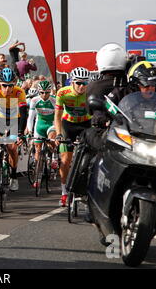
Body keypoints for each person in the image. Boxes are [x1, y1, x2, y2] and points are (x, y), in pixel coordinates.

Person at [0, 67, 28, 192]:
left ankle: (13, 177)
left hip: (14, 120)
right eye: (4, 86)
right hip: (0, 119)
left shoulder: (19, 92)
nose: (7, 89)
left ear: (14, 84)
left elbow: (24, 113)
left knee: (12, 147)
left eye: (10, 86)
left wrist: (20, 133)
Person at [54, 67, 92, 207]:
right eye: (78, 83)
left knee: (89, 159)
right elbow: (57, 117)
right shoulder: (63, 93)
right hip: (68, 125)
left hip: (85, 124)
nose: (82, 86)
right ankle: (64, 192)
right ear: (72, 82)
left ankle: (85, 188)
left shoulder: (90, 93)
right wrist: (58, 134)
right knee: (65, 160)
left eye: (84, 83)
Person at [26, 80, 58, 188]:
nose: (44, 95)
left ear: (50, 92)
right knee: (38, 152)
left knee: (51, 141)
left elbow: (58, 117)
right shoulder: (34, 100)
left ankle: (53, 157)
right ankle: (37, 178)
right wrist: (30, 131)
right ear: (39, 92)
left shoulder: (54, 100)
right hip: (39, 126)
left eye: (47, 92)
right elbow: (30, 118)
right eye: (42, 92)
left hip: (51, 125)